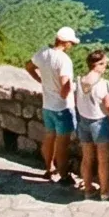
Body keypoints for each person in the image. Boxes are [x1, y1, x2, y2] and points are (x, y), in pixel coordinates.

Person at [26, 27, 80, 184]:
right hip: (62, 107)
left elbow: (28, 66)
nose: (72, 46)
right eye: (71, 43)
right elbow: (65, 84)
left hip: (47, 105)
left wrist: (40, 80)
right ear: (65, 42)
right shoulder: (64, 60)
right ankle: (63, 175)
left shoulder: (43, 53)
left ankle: (49, 168)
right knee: (63, 144)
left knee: (49, 137)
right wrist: (68, 91)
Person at [73, 47, 109, 197]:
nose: (106, 66)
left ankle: (88, 188)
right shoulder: (102, 84)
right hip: (99, 123)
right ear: (97, 65)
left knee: (87, 158)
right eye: (104, 63)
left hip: (84, 121)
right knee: (103, 159)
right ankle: (105, 191)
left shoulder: (79, 81)